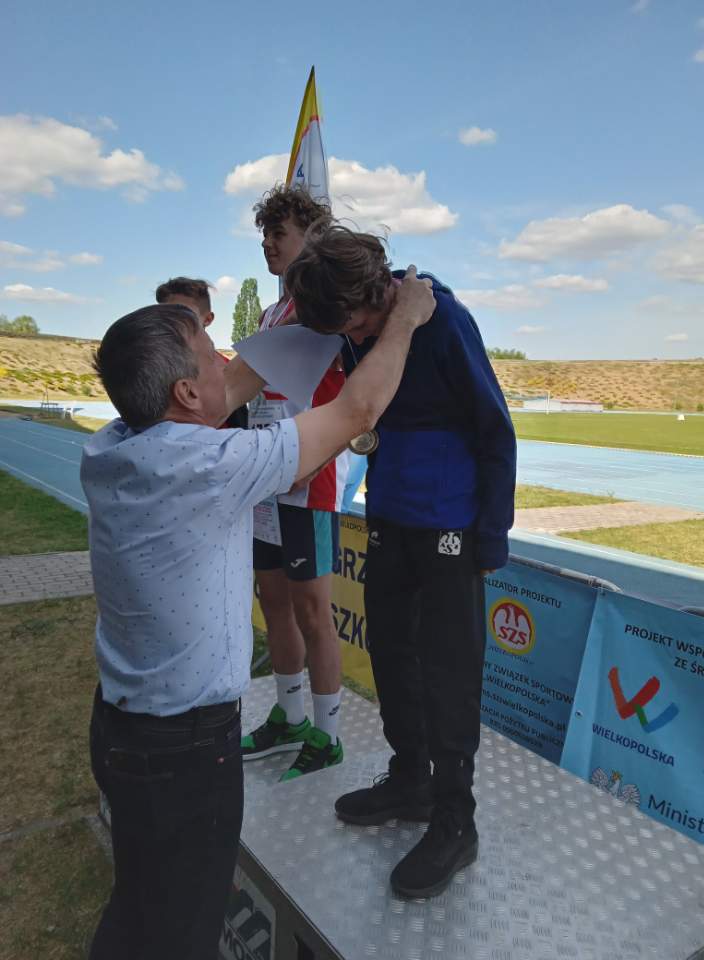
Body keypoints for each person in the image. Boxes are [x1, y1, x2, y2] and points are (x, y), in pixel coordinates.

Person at [82, 272, 434, 958]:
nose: (226, 363)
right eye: (210, 355)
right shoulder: (211, 465)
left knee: (143, 903)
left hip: (124, 729)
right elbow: (357, 410)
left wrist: (305, 312)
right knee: (181, 930)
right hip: (183, 753)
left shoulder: (113, 443)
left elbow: (235, 385)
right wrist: (404, 320)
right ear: (186, 393)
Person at [285, 222, 517, 900]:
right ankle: (411, 780)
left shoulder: (444, 322)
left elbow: (495, 429)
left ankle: (456, 820)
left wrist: (491, 537)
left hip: (450, 526)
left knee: (448, 674)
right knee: (390, 654)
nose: (353, 339)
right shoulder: (355, 327)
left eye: (356, 325)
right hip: (388, 517)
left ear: (378, 291)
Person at [240, 185, 349, 781]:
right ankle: (289, 716)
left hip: (310, 482)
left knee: (313, 610)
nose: (267, 244)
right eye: (264, 235)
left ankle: (327, 736)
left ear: (310, 237)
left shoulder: (325, 309)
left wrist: (310, 459)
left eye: (278, 233)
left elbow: (345, 403)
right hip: (267, 478)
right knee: (273, 601)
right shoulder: (270, 314)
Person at [156, 276, 247, 428]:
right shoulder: (152, 367)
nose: (172, 322)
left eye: (183, 315)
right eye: (164, 315)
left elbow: (240, 424)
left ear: (208, 319)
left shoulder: (226, 368)